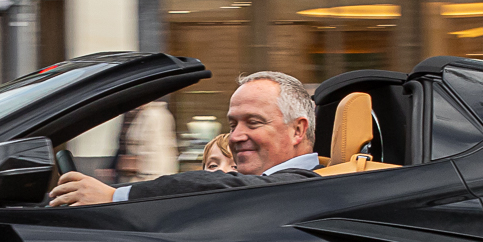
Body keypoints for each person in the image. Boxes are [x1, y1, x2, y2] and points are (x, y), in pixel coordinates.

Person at [48, 71, 320, 207]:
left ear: (297, 130)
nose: (236, 136)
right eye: (233, 123)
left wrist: (112, 196)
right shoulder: (279, 185)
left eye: (253, 122)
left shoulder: (300, 187)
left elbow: (212, 187)